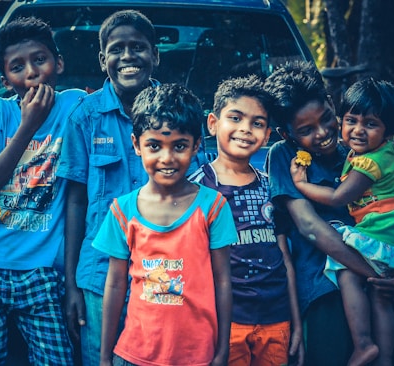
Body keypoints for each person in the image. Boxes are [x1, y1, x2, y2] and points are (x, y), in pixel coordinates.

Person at [57, 10, 207, 365]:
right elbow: (75, 203)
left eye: (138, 47)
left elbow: (194, 193)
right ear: (102, 59)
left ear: (155, 55)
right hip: (98, 273)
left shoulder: (179, 111)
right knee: (103, 358)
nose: (127, 56)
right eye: (117, 49)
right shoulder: (85, 116)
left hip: (164, 272)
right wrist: (71, 284)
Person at [264, 60, 394, 366]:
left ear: (331, 104)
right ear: (287, 134)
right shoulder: (283, 156)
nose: (323, 133)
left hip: (379, 290)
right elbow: (310, 227)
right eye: (306, 130)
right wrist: (375, 273)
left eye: (326, 118)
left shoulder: (358, 151)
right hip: (327, 289)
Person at [0, 16, 86, 365]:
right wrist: (28, 126)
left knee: (59, 357)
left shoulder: (75, 107)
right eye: (17, 67)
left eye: (40, 59)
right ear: (6, 79)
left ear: (59, 63)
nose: (31, 72)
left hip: (38, 268)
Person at [93, 83, 237, 366]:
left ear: (197, 145)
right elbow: (115, 285)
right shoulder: (122, 211)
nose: (167, 158)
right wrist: (104, 356)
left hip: (198, 357)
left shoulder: (213, 207)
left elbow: (223, 282)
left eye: (180, 146)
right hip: (134, 354)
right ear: (136, 145)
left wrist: (222, 351)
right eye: (154, 146)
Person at [188, 75, 304, 366]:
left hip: (276, 318)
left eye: (257, 123)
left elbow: (285, 257)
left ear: (267, 136)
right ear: (213, 123)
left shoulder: (272, 186)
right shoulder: (197, 188)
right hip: (227, 322)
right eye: (235, 118)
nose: (245, 129)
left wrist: (297, 322)